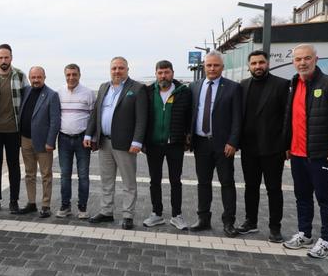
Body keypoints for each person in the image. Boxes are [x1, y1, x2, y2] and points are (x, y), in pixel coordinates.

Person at [283, 44, 328, 258]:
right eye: (298, 59)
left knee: (325, 198)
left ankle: (326, 241)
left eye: (307, 58)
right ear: (293, 62)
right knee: (302, 196)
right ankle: (305, 234)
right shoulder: (293, 84)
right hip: (297, 154)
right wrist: (287, 145)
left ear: (316, 59)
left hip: (321, 154)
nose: (302, 63)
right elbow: (290, 118)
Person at [84, 57, 147, 230]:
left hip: (126, 144)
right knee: (106, 180)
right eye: (114, 68)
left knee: (128, 182)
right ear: (110, 70)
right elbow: (96, 113)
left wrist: (137, 141)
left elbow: (142, 118)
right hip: (104, 142)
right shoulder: (104, 87)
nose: (117, 71)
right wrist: (89, 134)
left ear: (127, 69)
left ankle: (128, 215)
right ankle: (106, 211)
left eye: (121, 68)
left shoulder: (137, 88)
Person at [188, 51, 242, 237]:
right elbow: (191, 113)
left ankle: (228, 222)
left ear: (222, 67)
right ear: (204, 66)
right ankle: (203, 219)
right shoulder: (194, 86)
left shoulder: (233, 87)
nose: (212, 68)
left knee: (227, 182)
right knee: (203, 183)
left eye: (216, 65)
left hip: (223, 145)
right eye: (209, 65)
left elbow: (237, 118)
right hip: (201, 143)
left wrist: (233, 141)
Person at [238, 50, 289, 242]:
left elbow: (287, 117)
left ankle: (275, 228)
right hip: (249, 148)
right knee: (250, 187)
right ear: (249, 66)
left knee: (273, 189)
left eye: (261, 62)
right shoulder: (243, 85)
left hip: (273, 148)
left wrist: (286, 144)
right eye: (254, 63)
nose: (257, 66)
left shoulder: (282, 85)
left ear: (267, 64)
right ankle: (250, 222)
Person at [142, 60, 191, 229]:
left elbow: (190, 116)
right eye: (160, 73)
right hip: (153, 144)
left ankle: (177, 215)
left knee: (175, 180)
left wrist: (188, 136)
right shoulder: (148, 92)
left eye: (167, 72)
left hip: (175, 144)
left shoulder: (183, 92)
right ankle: (156, 214)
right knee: (154, 180)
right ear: (156, 74)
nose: (163, 76)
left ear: (172, 73)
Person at [0, 44, 28, 213]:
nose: (3, 60)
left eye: (6, 57)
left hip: (14, 130)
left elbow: (27, 100)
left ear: (11, 58)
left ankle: (14, 201)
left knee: (14, 165)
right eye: (1, 57)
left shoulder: (20, 76)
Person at [18, 67, 60, 218]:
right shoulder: (26, 91)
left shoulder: (52, 95)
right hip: (25, 139)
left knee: (46, 174)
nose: (36, 80)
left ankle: (46, 205)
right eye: (33, 77)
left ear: (44, 77)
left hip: (43, 142)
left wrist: (50, 142)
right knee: (29, 173)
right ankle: (31, 203)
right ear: (29, 78)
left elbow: (55, 121)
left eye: (39, 77)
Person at [56, 63, 95, 219]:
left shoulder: (88, 93)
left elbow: (93, 118)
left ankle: (82, 207)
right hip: (63, 139)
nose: (71, 77)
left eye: (74, 74)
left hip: (82, 139)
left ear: (79, 75)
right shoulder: (59, 93)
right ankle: (65, 206)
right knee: (64, 174)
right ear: (65, 75)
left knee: (83, 175)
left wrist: (91, 137)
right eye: (68, 75)